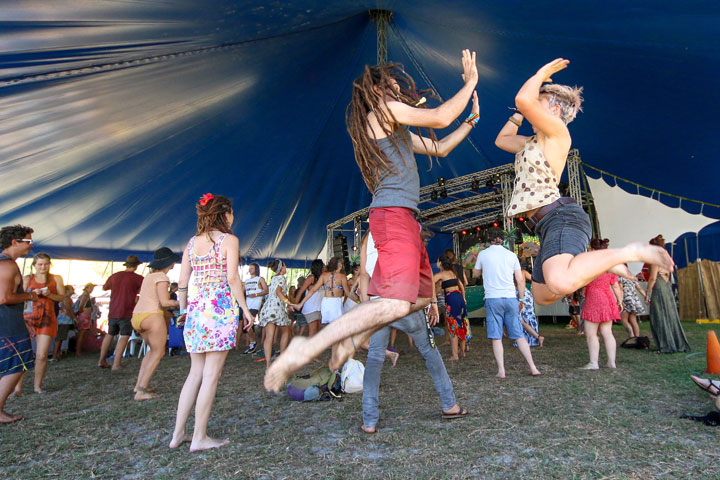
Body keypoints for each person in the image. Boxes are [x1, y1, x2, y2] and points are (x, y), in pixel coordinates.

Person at [265, 49, 480, 391]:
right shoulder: (383, 111)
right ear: (377, 90)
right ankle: (310, 345)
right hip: (393, 215)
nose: (398, 87)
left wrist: (472, 120)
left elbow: (440, 148)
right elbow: (440, 117)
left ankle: (351, 339)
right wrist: (470, 83)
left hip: (407, 218)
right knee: (395, 302)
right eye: (393, 83)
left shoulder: (393, 127)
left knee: (421, 299)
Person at [494, 58, 674, 307]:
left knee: (558, 282)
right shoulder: (529, 143)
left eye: (540, 103)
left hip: (561, 216)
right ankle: (596, 262)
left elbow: (523, 99)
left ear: (554, 112)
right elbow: (502, 140)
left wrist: (541, 73)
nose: (532, 107)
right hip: (544, 225)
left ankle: (628, 252)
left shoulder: (557, 134)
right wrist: (517, 116)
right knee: (542, 295)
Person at [171, 193, 253, 452]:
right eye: (232, 213)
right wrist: (246, 310)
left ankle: (178, 434)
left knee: (194, 374)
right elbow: (232, 280)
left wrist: (183, 311)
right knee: (211, 375)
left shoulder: (191, 244)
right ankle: (199, 437)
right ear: (225, 215)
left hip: (196, 311)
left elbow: (182, 283)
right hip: (220, 311)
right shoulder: (230, 240)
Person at [360, 232, 466, 433]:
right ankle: (449, 404)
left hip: (377, 303)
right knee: (429, 350)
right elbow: (422, 270)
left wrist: (366, 307)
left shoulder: (368, 236)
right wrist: (432, 302)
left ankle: (370, 420)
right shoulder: (402, 227)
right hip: (402, 301)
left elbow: (364, 274)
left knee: (374, 358)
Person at [473, 228, 540, 377]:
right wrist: (521, 298)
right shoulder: (511, 255)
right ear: (502, 239)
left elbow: (475, 273)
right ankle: (533, 367)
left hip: (492, 298)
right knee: (519, 334)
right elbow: (520, 280)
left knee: (496, 336)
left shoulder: (483, 255)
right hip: (510, 297)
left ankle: (501, 371)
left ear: (488, 239)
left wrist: (484, 270)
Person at [130, 248, 180, 400]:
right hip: (152, 316)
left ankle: (139, 385)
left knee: (151, 351)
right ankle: (141, 390)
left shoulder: (149, 276)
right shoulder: (161, 277)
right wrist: (181, 303)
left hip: (137, 316)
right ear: (169, 262)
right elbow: (165, 302)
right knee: (159, 352)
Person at [0, 225, 37, 423]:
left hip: (10, 323)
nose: (31, 246)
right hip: (7, 326)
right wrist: (30, 295)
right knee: (18, 365)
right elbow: (4, 298)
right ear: (15, 242)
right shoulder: (6, 265)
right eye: (28, 241)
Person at [17, 252, 66, 394]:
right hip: (28, 318)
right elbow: (19, 297)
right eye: (40, 264)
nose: (43, 267)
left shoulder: (56, 278)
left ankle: (37, 386)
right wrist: (33, 294)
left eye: (45, 264)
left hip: (47, 318)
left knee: (42, 355)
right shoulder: (27, 278)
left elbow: (61, 297)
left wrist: (49, 294)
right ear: (34, 265)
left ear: (49, 264)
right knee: (23, 353)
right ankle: (17, 387)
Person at [580, 239, 623, 370]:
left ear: (592, 249)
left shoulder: (588, 264)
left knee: (591, 333)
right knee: (607, 332)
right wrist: (619, 300)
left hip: (593, 297)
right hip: (608, 298)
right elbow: (615, 285)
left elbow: (582, 282)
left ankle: (594, 362)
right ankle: (611, 362)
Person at [98, 255, 144, 370]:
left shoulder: (115, 276)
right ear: (136, 266)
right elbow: (144, 291)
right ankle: (116, 363)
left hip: (113, 309)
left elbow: (104, 288)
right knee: (124, 335)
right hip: (127, 310)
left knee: (110, 334)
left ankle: (101, 360)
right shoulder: (138, 278)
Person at [646, 235, 690, 353]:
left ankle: (666, 345)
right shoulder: (667, 258)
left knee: (659, 316)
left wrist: (647, 293)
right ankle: (676, 343)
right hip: (667, 286)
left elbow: (653, 278)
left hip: (659, 287)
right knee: (670, 315)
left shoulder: (656, 260)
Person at [293, 257, 351, 328]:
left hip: (321, 307)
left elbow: (314, 290)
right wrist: (297, 305)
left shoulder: (324, 276)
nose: (324, 267)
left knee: (320, 329)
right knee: (315, 330)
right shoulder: (313, 278)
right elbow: (302, 291)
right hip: (313, 308)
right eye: (323, 266)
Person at [433, 253, 471, 361]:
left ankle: (455, 355)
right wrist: (463, 298)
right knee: (462, 323)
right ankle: (462, 352)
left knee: (453, 326)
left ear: (440, 263)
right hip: (459, 297)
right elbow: (462, 286)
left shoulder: (441, 274)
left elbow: (431, 282)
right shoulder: (453, 273)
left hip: (451, 299)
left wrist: (433, 299)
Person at [257, 260, 293, 369]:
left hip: (268, 308)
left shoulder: (273, 278)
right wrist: (287, 302)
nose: (286, 268)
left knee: (269, 336)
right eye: (285, 266)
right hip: (277, 308)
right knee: (286, 331)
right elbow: (278, 292)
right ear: (281, 268)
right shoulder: (282, 278)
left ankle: (268, 363)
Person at [294, 259, 324, 337]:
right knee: (313, 330)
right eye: (323, 265)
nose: (324, 267)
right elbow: (300, 291)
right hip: (311, 308)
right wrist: (295, 305)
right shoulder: (311, 278)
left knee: (317, 329)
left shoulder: (323, 278)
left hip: (318, 308)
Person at [242, 262, 268, 354]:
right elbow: (243, 293)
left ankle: (253, 343)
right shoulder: (247, 281)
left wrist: (256, 294)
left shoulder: (260, 279)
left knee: (249, 322)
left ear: (256, 269)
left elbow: (266, 290)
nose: (250, 270)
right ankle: (252, 342)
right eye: (249, 268)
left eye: (252, 268)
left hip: (255, 304)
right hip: (247, 304)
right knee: (246, 324)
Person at [516, 270, 544, 348]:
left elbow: (534, 279)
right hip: (524, 295)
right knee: (525, 318)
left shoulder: (517, 272)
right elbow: (534, 279)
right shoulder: (522, 272)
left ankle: (536, 337)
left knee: (521, 319)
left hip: (521, 296)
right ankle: (535, 337)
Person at [618, 267, 646, 338]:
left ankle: (631, 336)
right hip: (634, 300)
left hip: (626, 299)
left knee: (624, 320)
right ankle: (637, 337)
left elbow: (621, 289)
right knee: (633, 320)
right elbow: (639, 288)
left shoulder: (620, 277)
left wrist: (620, 301)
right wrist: (646, 296)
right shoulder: (633, 277)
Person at [73, 283, 97, 357]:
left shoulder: (86, 295)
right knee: (82, 333)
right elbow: (81, 305)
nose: (92, 289)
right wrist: (81, 312)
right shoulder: (85, 295)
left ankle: (79, 349)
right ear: (87, 288)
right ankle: (78, 350)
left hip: (85, 315)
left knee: (83, 333)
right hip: (84, 315)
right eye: (91, 288)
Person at [52, 288, 76, 361]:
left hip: (62, 319)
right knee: (60, 337)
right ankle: (55, 354)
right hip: (64, 320)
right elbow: (69, 309)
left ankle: (57, 353)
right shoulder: (66, 299)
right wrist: (74, 318)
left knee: (61, 337)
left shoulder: (63, 298)